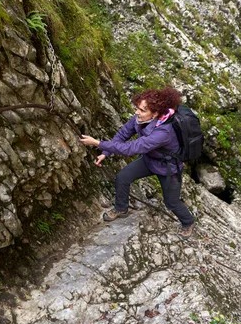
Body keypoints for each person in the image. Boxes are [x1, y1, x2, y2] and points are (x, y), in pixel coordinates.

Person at [79, 87, 196, 240]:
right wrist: (105, 153)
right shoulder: (140, 119)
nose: (136, 112)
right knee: (122, 178)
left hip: (169, 168)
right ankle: (121, 208)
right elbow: (123, 134)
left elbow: (132, 148)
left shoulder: (164, 132)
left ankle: (188, 222)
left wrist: (98, 143)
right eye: (137, 108)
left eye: (141, 110)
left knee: (171, 202)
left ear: (155, 113)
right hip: (149, 160)